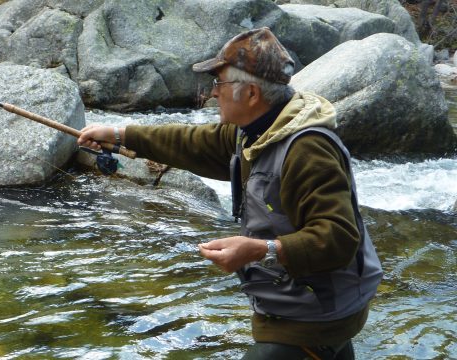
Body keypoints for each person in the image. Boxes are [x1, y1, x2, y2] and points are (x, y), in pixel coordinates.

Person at [77, 27, 383, 360]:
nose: (211, 94)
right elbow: (191, 142)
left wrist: (260, 249)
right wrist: (121, 134)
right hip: (316, 304)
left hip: (314, 316)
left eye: (219, 84)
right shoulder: (253, 131)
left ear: (251, 93)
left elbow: (338, 237)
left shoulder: (308, 150)